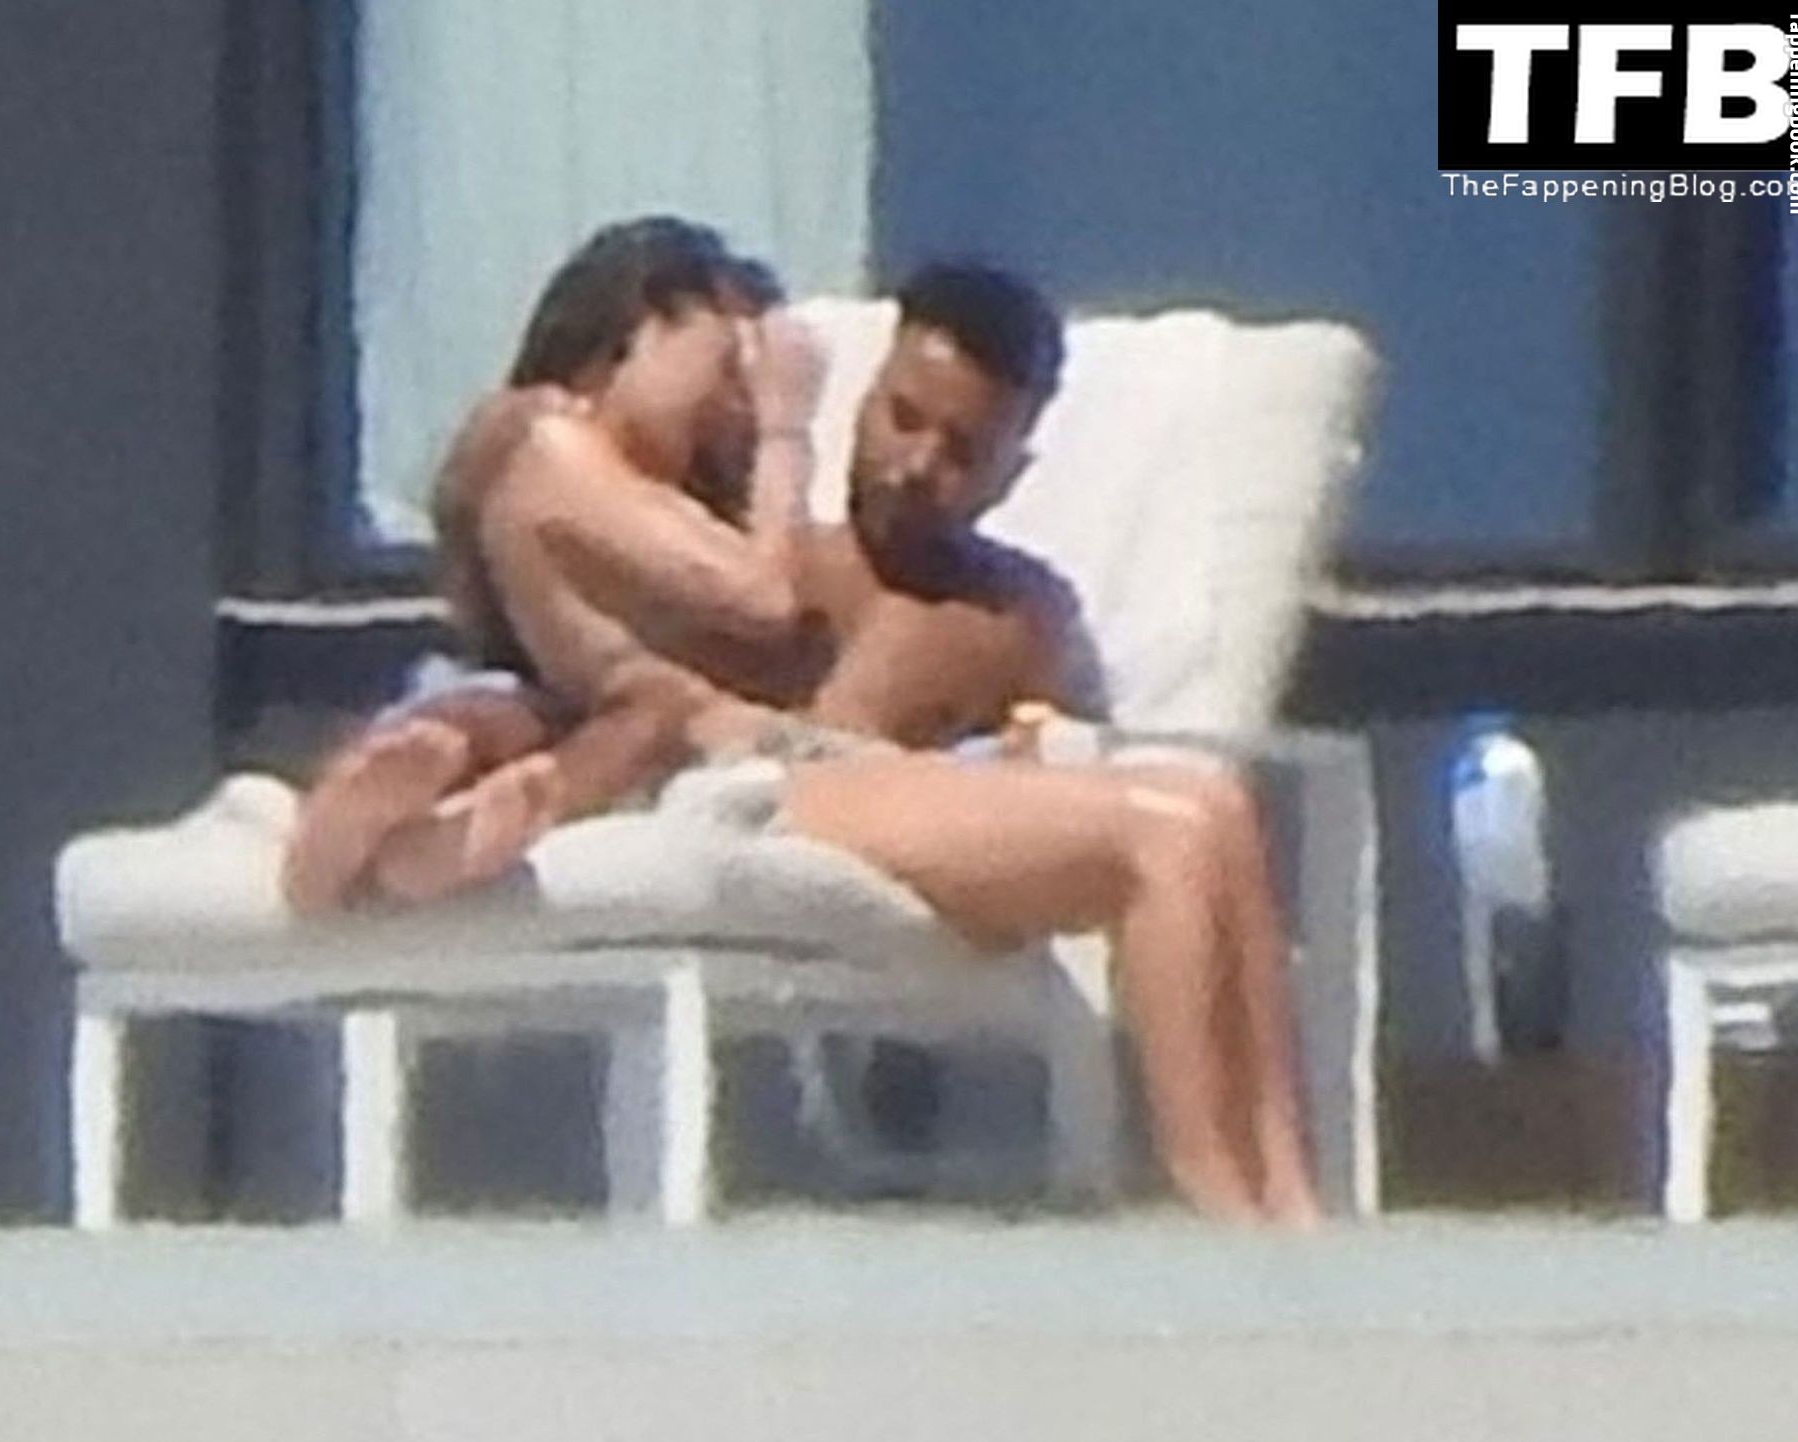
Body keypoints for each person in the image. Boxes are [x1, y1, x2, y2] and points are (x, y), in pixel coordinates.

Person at [289, 222, 1316, 1223]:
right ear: (864, 400)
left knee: (1213, 806)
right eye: (902, 417)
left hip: (923, 812)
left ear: (1012, 469)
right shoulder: (774, 548)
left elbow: (1059, 741)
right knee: (1161, 833)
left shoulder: (1020, 614)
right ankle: (1216, 1201)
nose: (916, 462)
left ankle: (1290, 1200)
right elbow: (609, 660)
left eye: (962, 449)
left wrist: (1031, 751)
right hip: (780, 800)